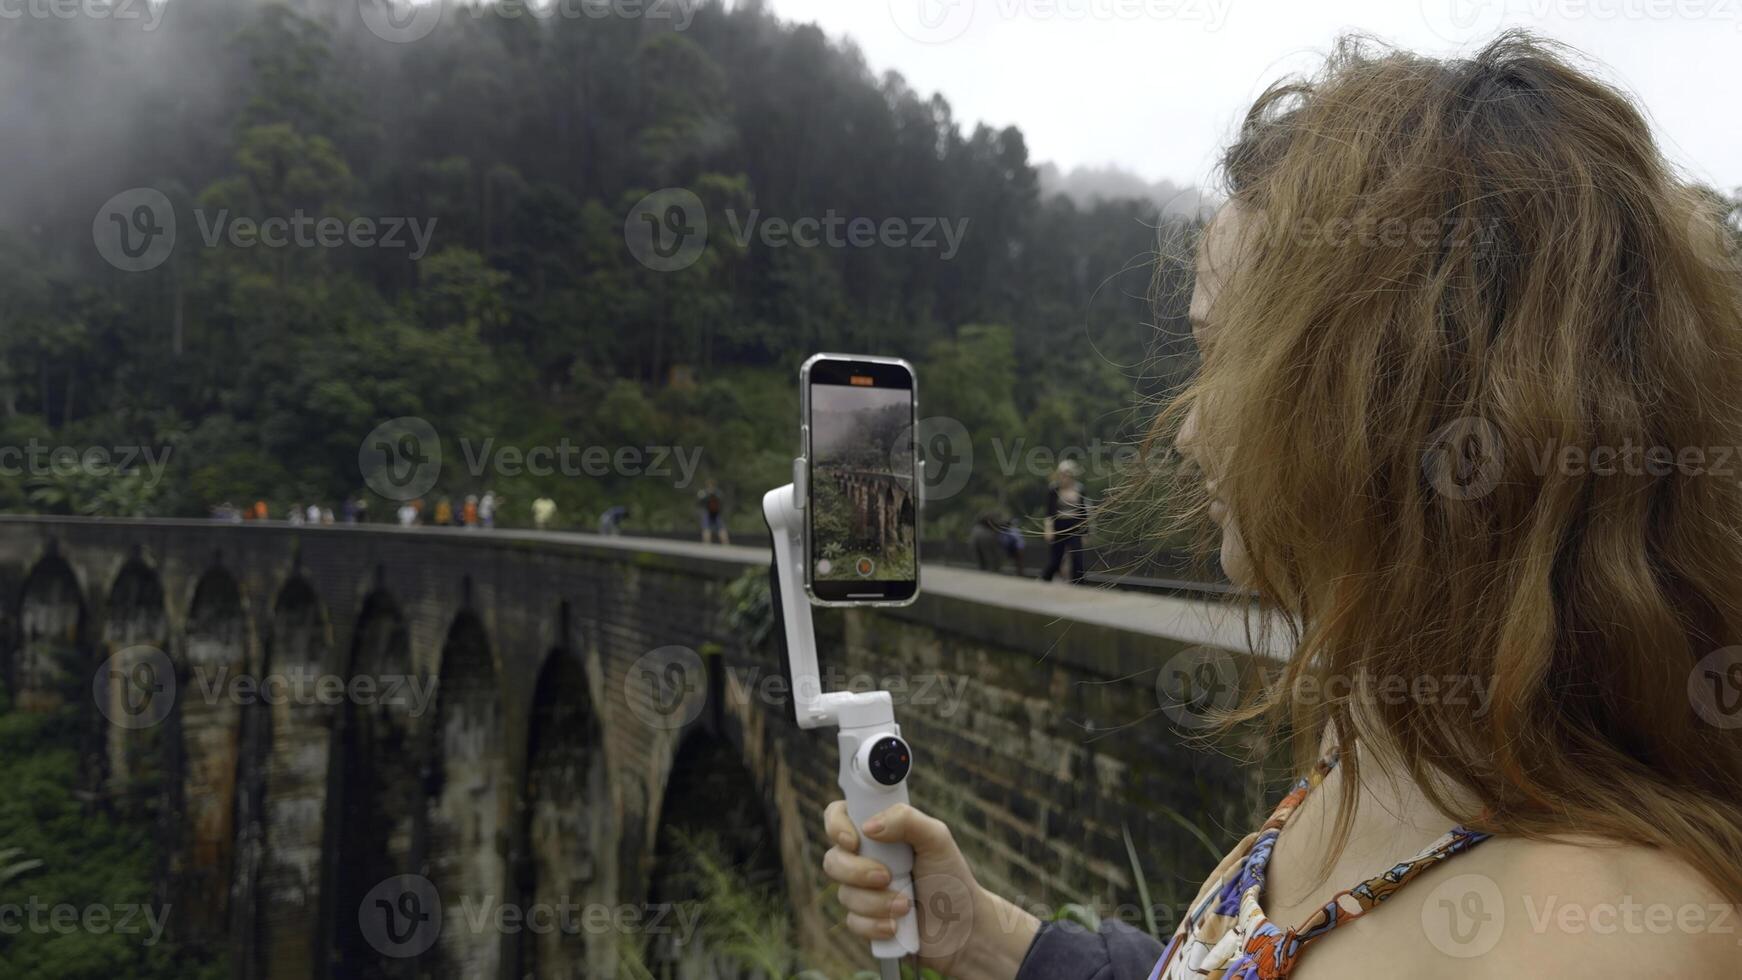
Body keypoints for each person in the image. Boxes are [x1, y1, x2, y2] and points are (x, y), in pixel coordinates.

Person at [816, 35, 1742, 980]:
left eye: (1226, 355)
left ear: (1389, 393)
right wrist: (990, 937)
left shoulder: (1602, 947)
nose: (1188, 434)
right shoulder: (1399, 767)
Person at [1039, 460, 1090, 583]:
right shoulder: (1053, 489)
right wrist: (1048, 529)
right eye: (1062, 474)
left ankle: (1078, 584)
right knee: (1056, 558)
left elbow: (1084, 513)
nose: (1064, 477)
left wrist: (1085, 533)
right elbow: (1049, 511)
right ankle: (1044, 580)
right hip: (1059, 526)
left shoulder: (1079, 489)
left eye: (1067, 474)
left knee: (1077, 557)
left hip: (1075, 526)